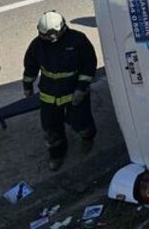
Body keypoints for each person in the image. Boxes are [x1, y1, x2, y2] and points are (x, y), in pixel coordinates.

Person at [23, 11, 97, 171]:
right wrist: (27, 85)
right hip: (49, 94)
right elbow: (30, 66)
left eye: (52, 36)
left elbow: (89, 64)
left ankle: (87, 137)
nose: (50, 40)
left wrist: (81, 88)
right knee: (51, 128)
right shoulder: (37, 45)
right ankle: (56, 154)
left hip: (74, 92)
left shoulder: (78, 40)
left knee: (81, 122)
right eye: (45, 36)